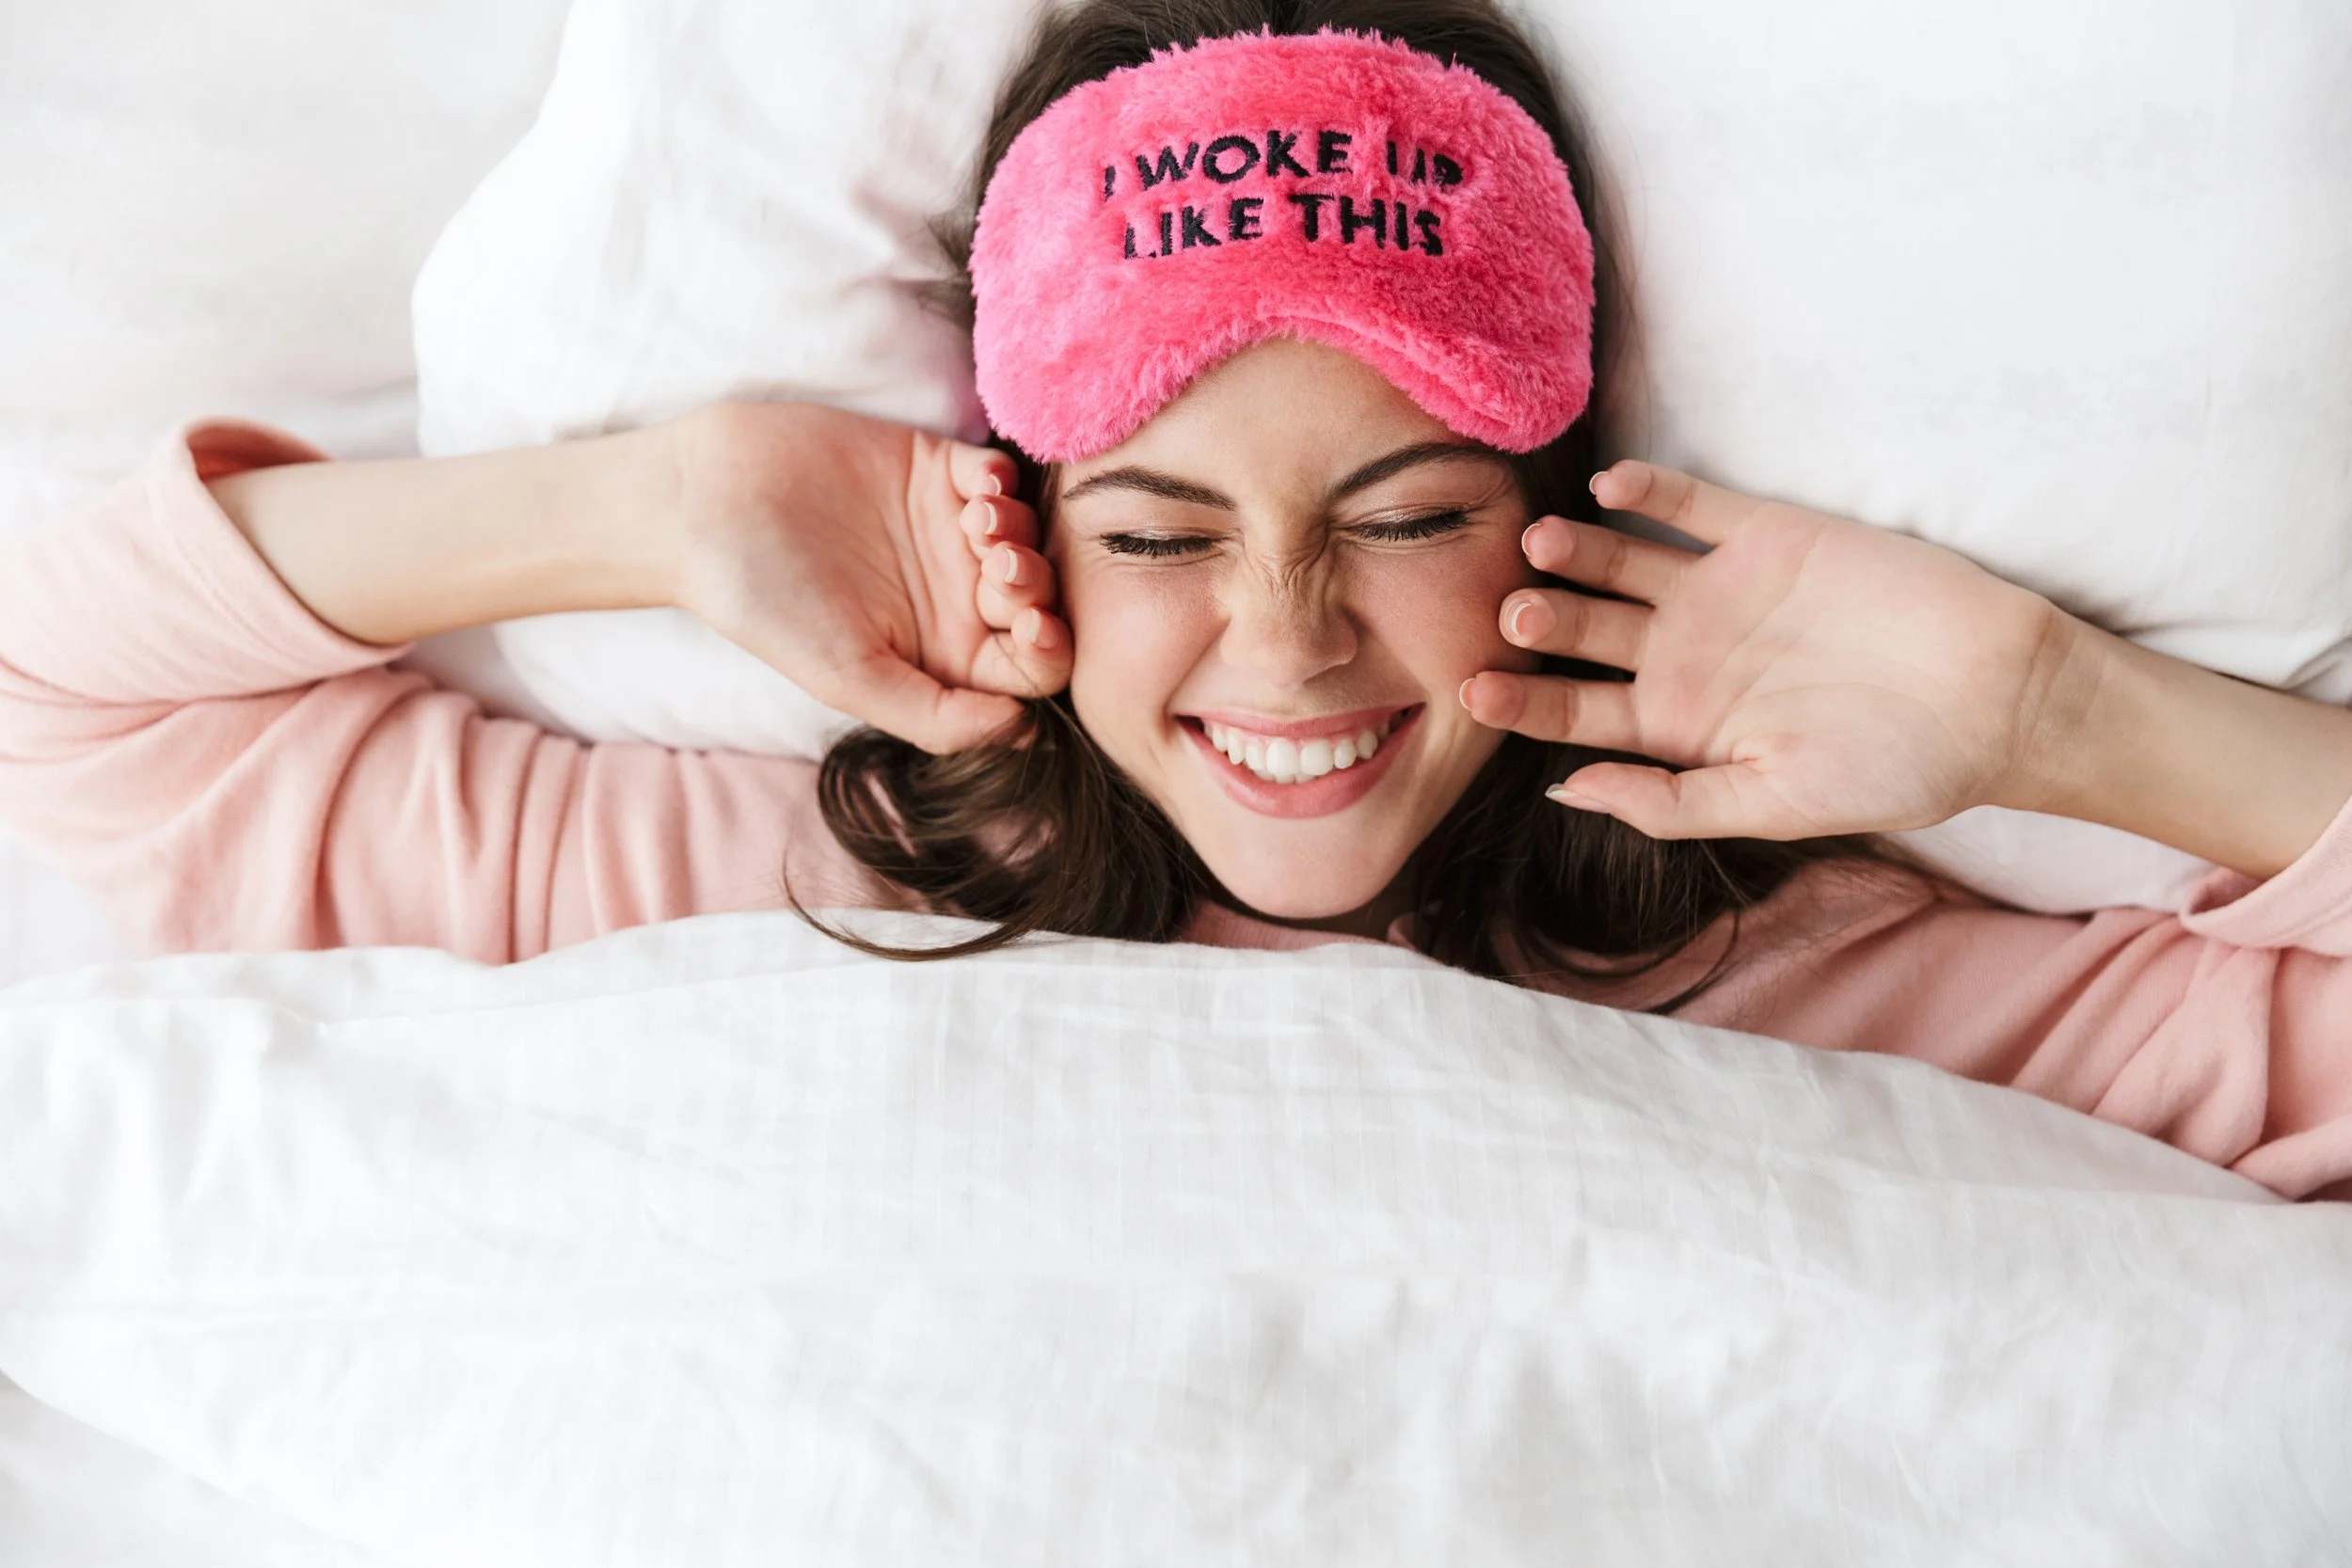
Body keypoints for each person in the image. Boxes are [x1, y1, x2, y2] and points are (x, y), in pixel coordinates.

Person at [1, 0, 2347, 1200]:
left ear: (1552, 512)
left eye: (1406, 514)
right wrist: (655, 504)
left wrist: (2050, 708)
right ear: (1024, 528)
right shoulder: (811, 882)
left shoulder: (1812, 967)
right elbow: (64, 697)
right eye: (1155, 532)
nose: (1287, 638)